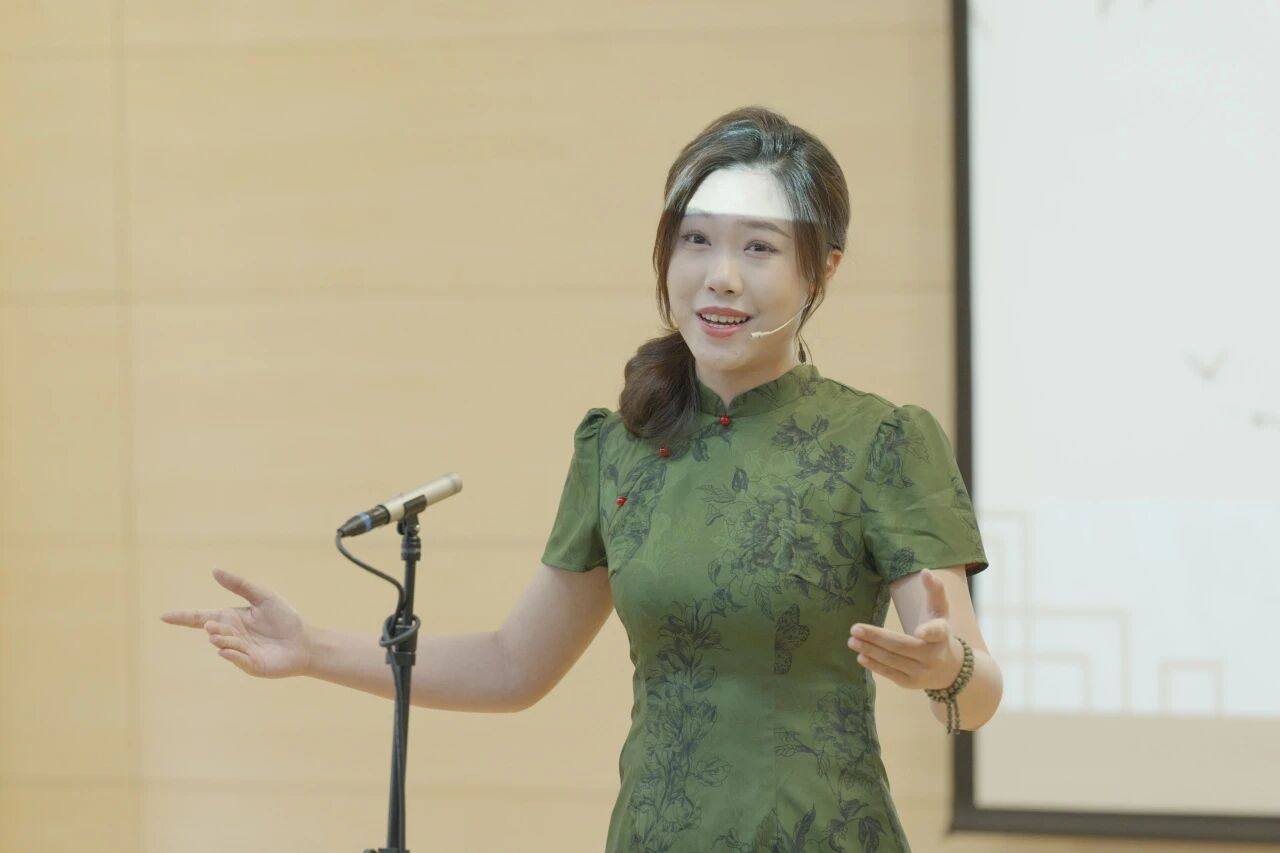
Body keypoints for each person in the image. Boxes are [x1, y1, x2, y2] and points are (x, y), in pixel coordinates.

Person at [161, 105, 1002, 852]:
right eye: (696, 240)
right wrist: (312, 649)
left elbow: (976, 699)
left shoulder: (882, 442)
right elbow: (512, 665)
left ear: (822, 271)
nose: (720, 274)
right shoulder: (619, 448)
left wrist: (945, 671)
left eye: (759, 247)